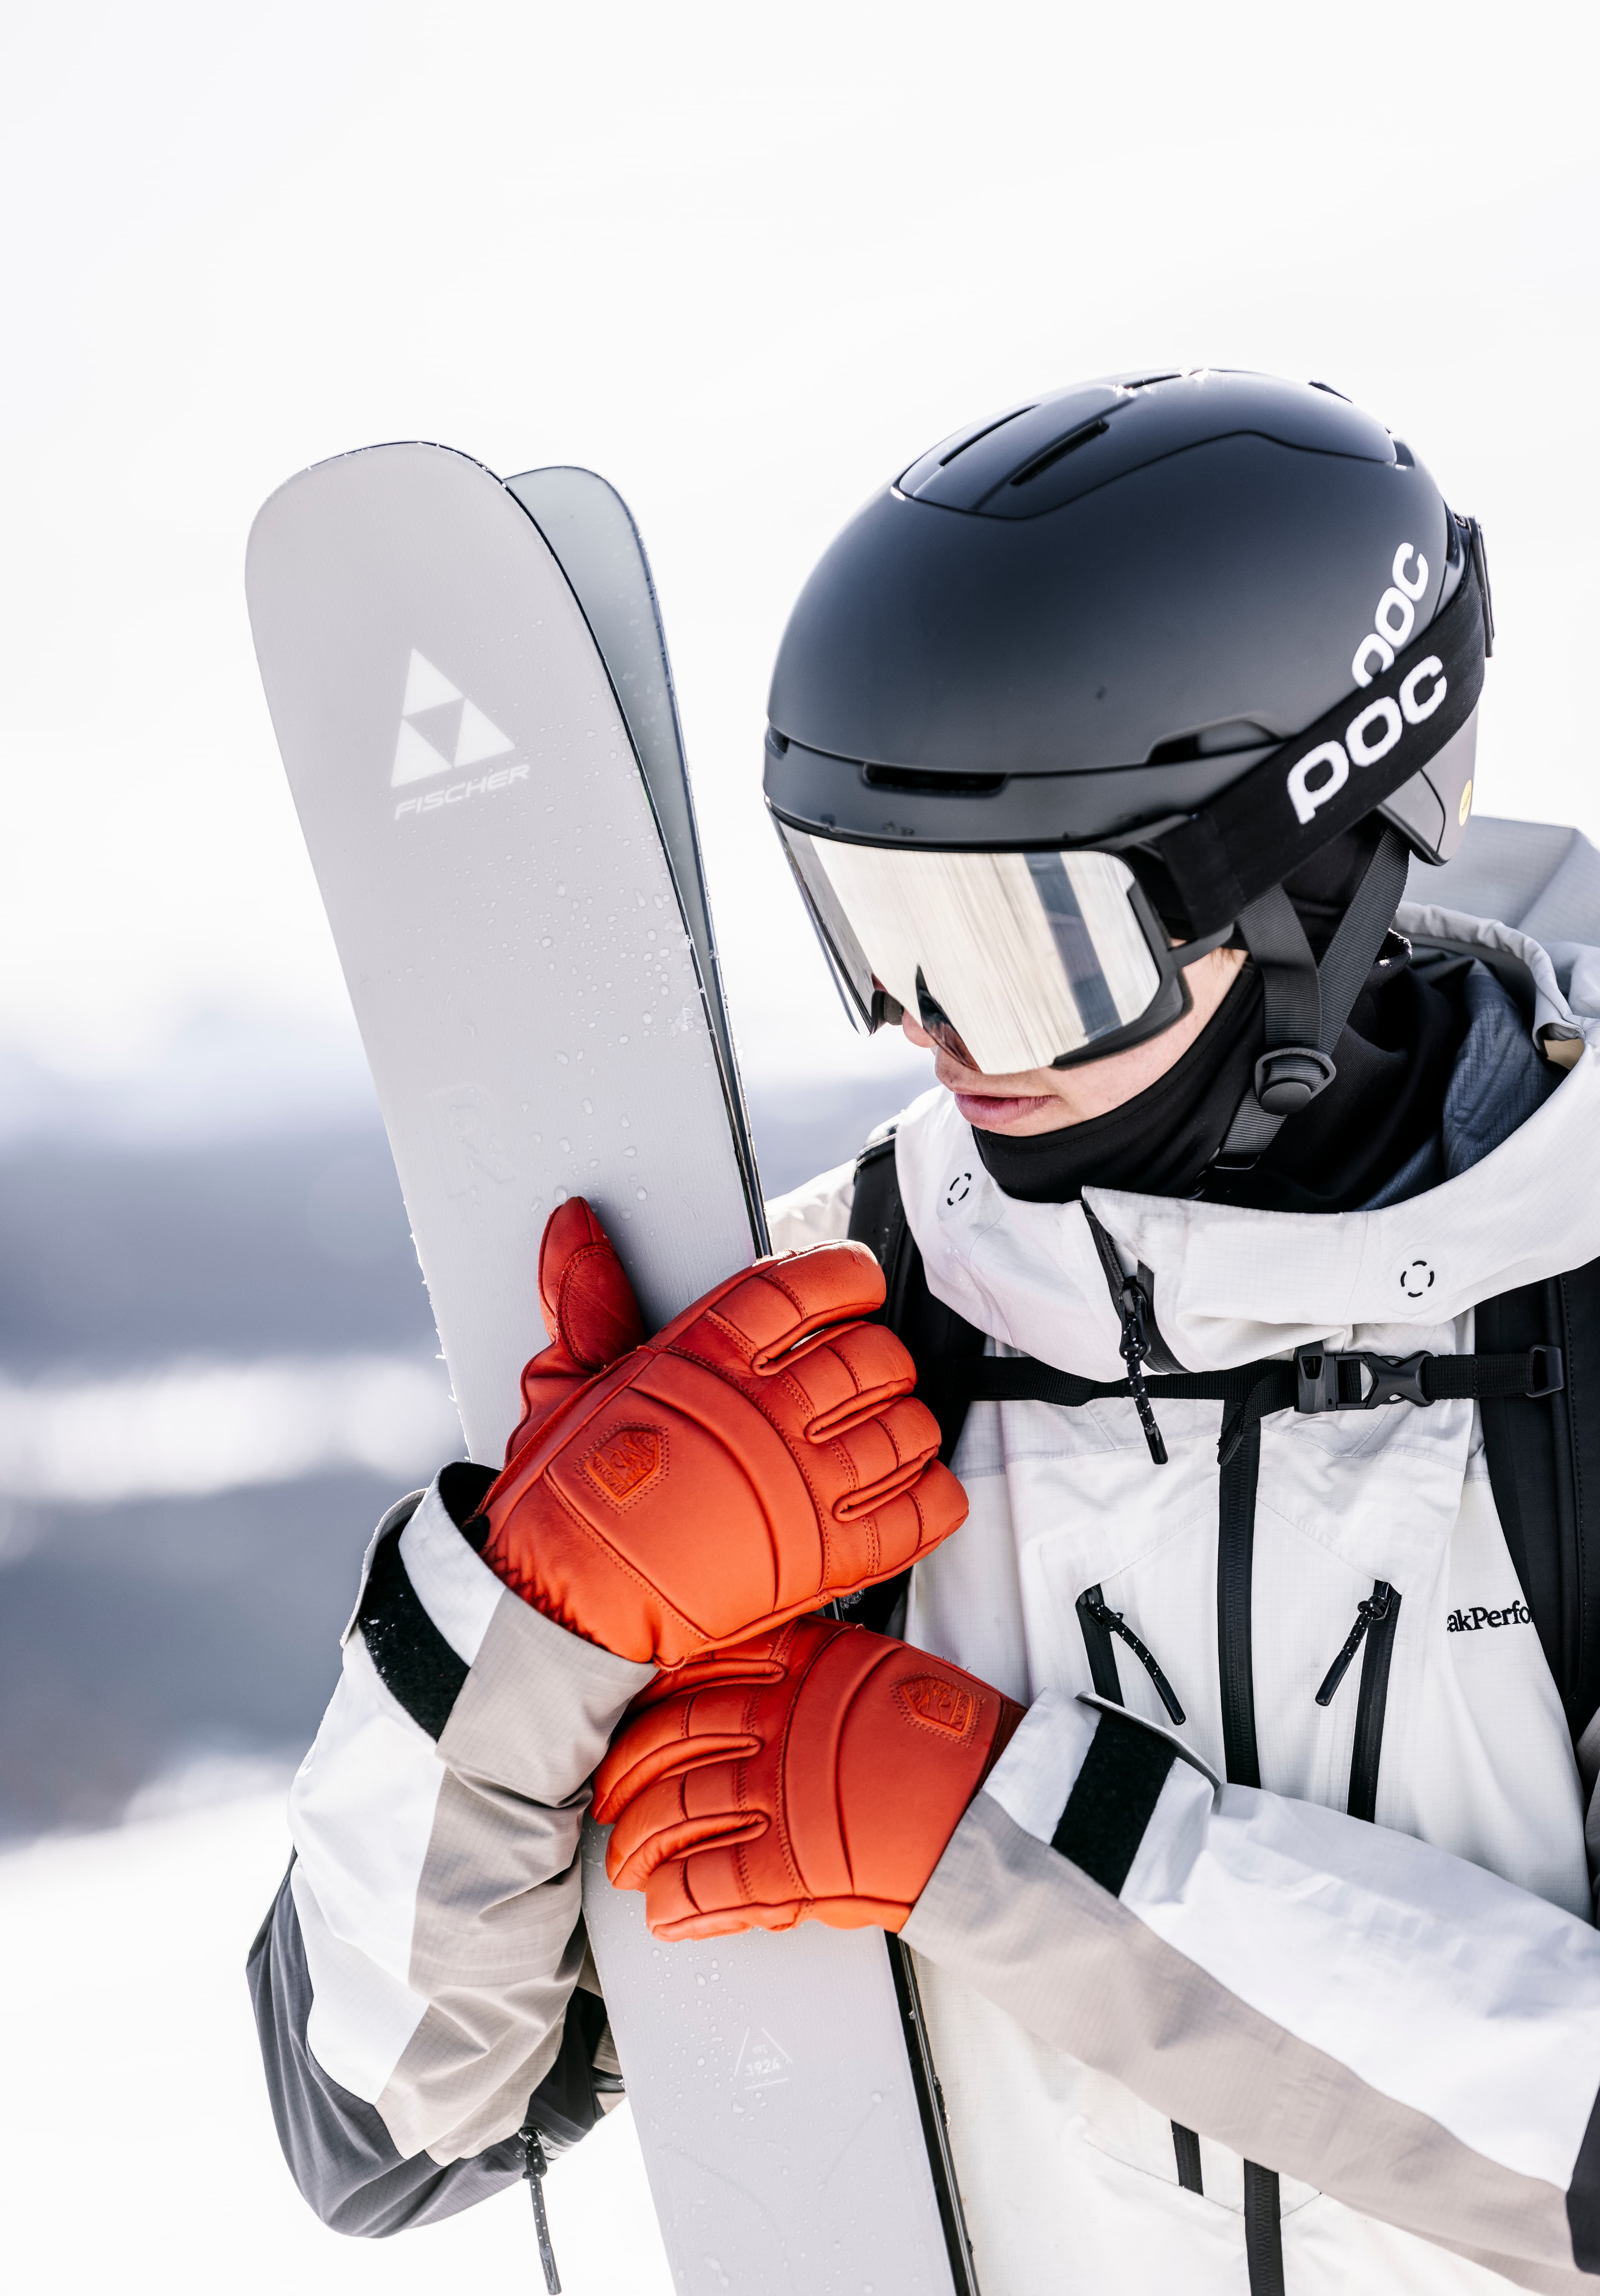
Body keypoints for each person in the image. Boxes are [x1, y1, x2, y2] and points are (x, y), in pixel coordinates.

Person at [250, 370, 1600, 2294]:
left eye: (1023, 947)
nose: (937, 1033)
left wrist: (1008, 1843)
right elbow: (382, 2127)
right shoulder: (836, 1350)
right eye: (879, 929)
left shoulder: (1571, 1339)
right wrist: (534, 1614)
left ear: (1307, 880)